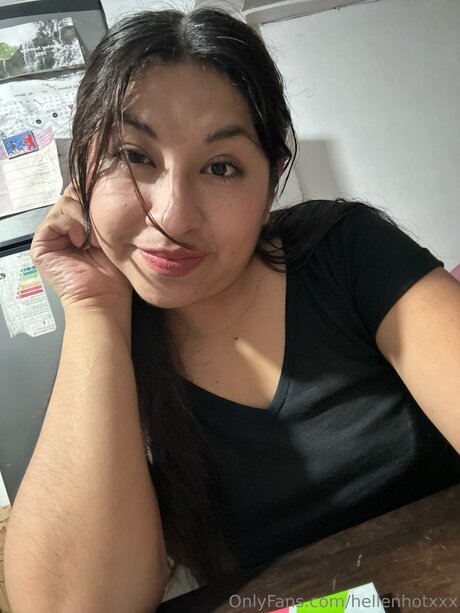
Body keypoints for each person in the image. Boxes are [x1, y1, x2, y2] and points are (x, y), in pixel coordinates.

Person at [4, 7, 460, 612]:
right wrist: (93, 310)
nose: (173, 216)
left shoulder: (346, 252)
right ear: (81, 172)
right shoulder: (112, 348)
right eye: (133, 155)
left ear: (270, 183)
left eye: (221, 167)